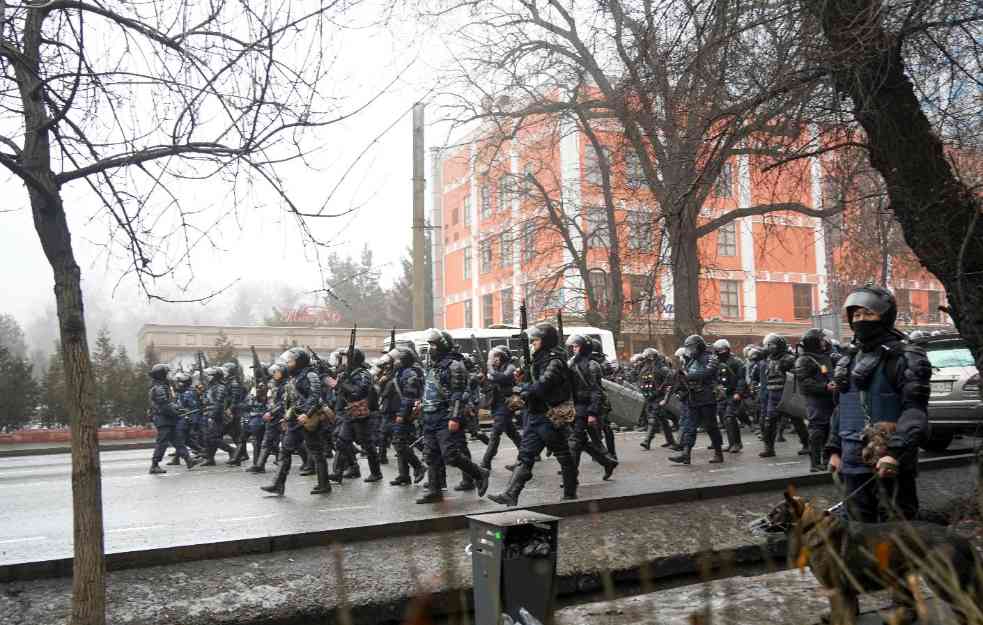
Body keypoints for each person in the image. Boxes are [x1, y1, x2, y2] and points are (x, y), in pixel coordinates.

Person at [826, 286, 931, 522]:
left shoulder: (906, 357)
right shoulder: (848, 359)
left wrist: (894, 453)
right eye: (856, 315)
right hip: (851, 461)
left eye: (868, 314)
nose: (861, 320)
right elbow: (842, 407)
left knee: (898, 533)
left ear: (884, 316)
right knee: (856, 531)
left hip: (889, 461)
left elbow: (915, 411)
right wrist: (834, 449)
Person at [489, 322, 577, 506]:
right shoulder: (536, 360)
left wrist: (524, 389)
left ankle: (570, 493)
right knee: (525, 456)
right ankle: (511, 494)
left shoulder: (555, 361)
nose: (533, 343)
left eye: (536, 340)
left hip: (550, 415)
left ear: (545, 341)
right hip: (535, 414)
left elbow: (544, 384)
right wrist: (522, 380)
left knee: (563, 454)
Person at [415, 329, 490, 504]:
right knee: (431, 455)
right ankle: (435, 490)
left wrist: (455, 418)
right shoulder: (433, 365)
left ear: (442, 345)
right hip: (430, 416)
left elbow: (459, 394)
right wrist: (421, 403)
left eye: (433, 345)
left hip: (445, 415)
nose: (431, 348)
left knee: (450, 455)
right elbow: (429, 389)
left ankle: (479, 473)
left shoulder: (455, 365)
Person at [261, 347, 331, 496]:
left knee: (317, 452)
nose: (288, 363)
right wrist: (286, 416)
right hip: (294, 419)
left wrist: (307, 413)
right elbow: (291, 400)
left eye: (291, 360)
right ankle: (277, 484)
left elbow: (315, 396)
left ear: (300, 361)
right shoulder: (293, 377)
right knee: (285, 450)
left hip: (307, 419)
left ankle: (324, 484)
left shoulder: (310, 375)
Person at [327, 346, 383, 483]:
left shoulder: (364, 374)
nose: (346, 361)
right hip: (348, 412)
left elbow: (359, 392)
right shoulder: (347, 373)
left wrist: (342, 384)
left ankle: (376, 473)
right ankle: (338, 472)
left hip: (360, 413)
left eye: (348, 358)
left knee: (367, 445)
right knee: (341, 442)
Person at [565, 334, 619, 480]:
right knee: (587, 441)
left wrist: (592, 413)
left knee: (575, 441)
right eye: (573, 346)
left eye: (576, 346)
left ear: (583, 347)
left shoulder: (592, 365)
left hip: (587, 407)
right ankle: (608, 462)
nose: (573, 349)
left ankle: (570, 477)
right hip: (576, 407)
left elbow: (596, 391)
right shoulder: (571, 363)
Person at [668, 335, 724, 465]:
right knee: (689, 427)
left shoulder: (710, 357)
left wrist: (688, 376)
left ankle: (718, 453)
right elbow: (685, 374)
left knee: (711, 426)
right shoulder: (691, 361)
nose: (690, 351)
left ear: (699, 346)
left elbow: (707, 373)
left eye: (692, 347)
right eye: (688, 348)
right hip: (692, 397)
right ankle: (685, 454)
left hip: (707, 397)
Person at [794, 328, 838, 472]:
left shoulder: (824, 357)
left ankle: (826, 459)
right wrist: (825, 387)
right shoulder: (804, 359)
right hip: (816, 400)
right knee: (817, 430)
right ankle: (814, 463)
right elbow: (805, 383)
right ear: (813, 342)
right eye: (820, 340)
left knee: (828, 429)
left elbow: (828, 374)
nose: (824, 342)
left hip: (829, 399)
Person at [758, 333, 807, 458]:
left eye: (771, 345)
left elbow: (797, 376)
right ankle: (769, 448)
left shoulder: (789, 359)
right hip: (772, 394)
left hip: (786, 393)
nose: (769, 347)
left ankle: (807, 445)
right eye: (768, 345)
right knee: (769, 422)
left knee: (797, 420)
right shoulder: (769, 359)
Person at [386, 347, 427, 486]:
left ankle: (418, 466)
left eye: (397, 359)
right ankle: (404, 475)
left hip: (406, 413)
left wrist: (402, 415)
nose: (395, 362)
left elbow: (409, 397)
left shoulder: (410, 374)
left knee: (399, 442)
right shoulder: (401, 372)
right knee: (403, 441)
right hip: (399, 411)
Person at [480, 345, 522, 471]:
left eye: (498, 356)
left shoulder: (510, 367)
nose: (495, 359)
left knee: (495, 433)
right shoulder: (494, 369)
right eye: (495, 357)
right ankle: (528, 453)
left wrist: (489, 369)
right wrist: (482, 379)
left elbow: (502, 377)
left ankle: (485, 462)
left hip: (506, 404)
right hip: (496, 404)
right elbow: (487, 386)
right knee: (511, 432)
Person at [148, 364, 197, 473]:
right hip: (163, 419)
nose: (169, 375)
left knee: (178, 441)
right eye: (167, 373)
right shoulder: (160, 388)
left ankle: (189, 460)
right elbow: (165, 405)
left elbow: (170, 403)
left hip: (168, 419)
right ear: (161, 375)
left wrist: (179, 409)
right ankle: (154, 465)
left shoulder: (164, 386)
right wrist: (177, 411)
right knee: (162, 442)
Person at [248, 362, 290, 474]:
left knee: (292, 443)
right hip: (272, 418)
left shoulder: (287, 385)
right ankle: (259, 465)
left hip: (283, 417)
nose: (274, 374)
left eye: (277, 372)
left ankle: (308, 462)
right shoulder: (272, 384)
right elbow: (269, 401)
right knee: (266, 442)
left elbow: (283, 403)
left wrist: (271, 412)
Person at [713, 339, 747, 453]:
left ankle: (737, 443)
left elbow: (742, 379)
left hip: (733, 394)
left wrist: (738, 392)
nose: (719, 353)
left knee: (729, 418)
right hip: (723, 394)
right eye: (717, 351)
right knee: (724, 419)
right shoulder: (717, 362)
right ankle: (731, 443)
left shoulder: (736, 362)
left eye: (720, 350)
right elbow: (716, 378)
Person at [639, 348, 675, 450]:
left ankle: (647, 441)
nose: (645, 359)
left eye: (647, 357)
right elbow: (641, 382)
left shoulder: (661, 368)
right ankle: (671, 441)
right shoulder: (645, 368)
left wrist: (662, 393)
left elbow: (670, 379)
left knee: (653, 418)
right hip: (649, 397)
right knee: (662, 419)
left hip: (658, 397)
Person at [200, 366, 237, 465]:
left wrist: (212, 416)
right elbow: (207, 401)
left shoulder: (220, 387)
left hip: (217, 416)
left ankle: (231, 450)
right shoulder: (210, 386)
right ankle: (210, 458)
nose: (207, 377)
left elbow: (218, 404)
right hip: (208, 413)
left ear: (215, 376)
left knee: (213, 438)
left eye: (210, 375)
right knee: (207, 438)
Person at [168, 372, 200, 464]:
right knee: (184, 440)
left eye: (179, 382)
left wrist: (194, 423)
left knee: (180, 439)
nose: (177, 384)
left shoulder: (189, 393)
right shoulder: (180, 392)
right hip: (181, 418)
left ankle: (202, 453)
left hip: (187, 419)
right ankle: (203, 452)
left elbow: (194, 409)